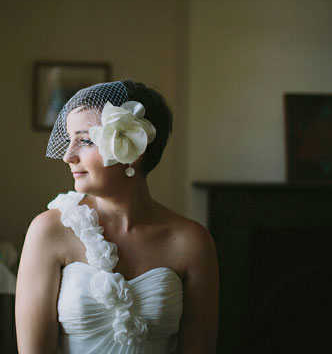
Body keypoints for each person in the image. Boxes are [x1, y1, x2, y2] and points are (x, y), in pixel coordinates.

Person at [15, 80, 218, 353]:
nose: (68, 156)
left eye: (85, 140)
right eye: (70, 139)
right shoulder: (50, 230)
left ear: (133, 148)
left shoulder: (192, 241)